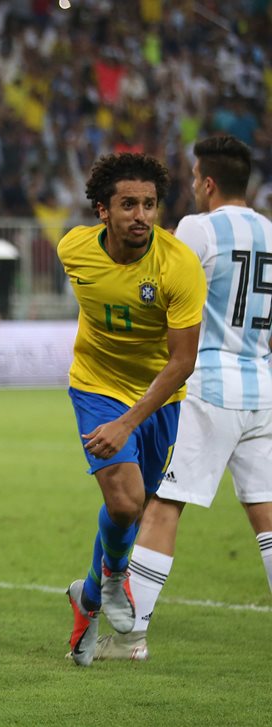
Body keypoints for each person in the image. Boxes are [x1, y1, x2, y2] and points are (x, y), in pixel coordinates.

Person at [95, 135, 272, 661]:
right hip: (262, 386)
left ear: (209, 182)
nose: (192, 187)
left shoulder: (197, 228)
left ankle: (131, 638)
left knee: (162, 506)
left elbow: (158, 278)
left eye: (195, 179)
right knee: (266, 516)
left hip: (206, 386)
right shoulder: (270, 230)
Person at [58, 153, 207, 667]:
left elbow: (182, 362)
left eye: (149, 204)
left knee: (137, 507)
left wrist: (129, 421)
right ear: (102, 210)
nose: (141, 215)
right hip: (95, 386)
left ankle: (89, 599)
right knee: (125, 503)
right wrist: (114, 417)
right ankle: (117, 582)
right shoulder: (73, 249)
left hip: (160, 393)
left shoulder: (178, 265)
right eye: (128, 205)